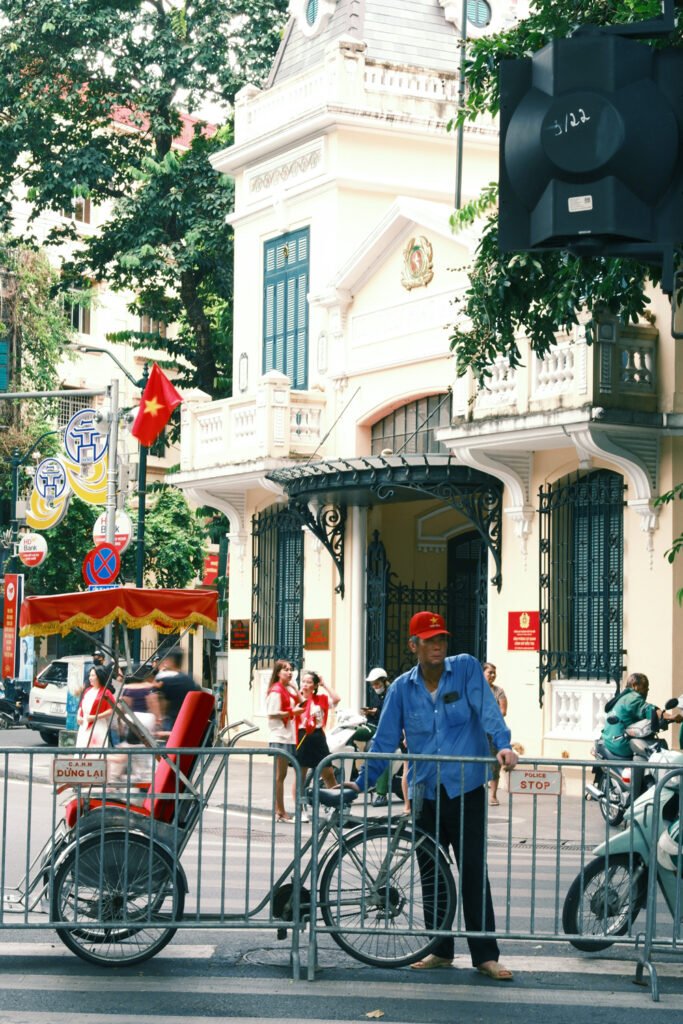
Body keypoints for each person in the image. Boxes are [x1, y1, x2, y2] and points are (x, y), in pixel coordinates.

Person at [349, 610, 518, 981]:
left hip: (467, 786)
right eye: (430, 640)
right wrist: (360, 783)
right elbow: (385, 741)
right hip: (427, 790)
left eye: (442, 638)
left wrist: (503, 745)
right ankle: (439, 949)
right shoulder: (401, 690)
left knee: (473, 869)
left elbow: (488, 712)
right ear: (414, 645)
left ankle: (485, 954)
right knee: (432, 871)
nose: (438, 645)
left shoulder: (468, 669)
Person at [599, 672, 660, 799]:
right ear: (635, 685)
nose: (647, 690)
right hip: (620, 743)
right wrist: (668, 715)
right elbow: (649, 709)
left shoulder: (623, 697)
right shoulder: (633, 697)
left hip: (610, 739)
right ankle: (635, 796)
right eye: (645, 687)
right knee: (642, 752)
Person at [294, 671, 341, 808]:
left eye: (309, 682)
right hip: (303, 736)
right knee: (300, 776)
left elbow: (337, 699)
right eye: (303, 681)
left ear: (315, 686)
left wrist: (324, 684)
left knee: (328, 773)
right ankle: (300, 808)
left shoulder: (321, 699)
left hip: (318, 736)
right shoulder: (297, 699)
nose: (305, 685)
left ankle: (336, 805)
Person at [266, 660, 305, 823]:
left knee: (284, 774)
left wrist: (295, 687)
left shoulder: (289, 688)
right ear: (278, 672)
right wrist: (292, 712)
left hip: (290, 735)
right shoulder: (275, 691)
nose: (289, 672)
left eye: (291, 670)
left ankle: (280, 810)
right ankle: (280, 811)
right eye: (285, 670)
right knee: (280, 775)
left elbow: (303, 702)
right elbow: (272, 713)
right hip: (280, 735)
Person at [149, 648, 199, 738]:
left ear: (169, 661)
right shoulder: (190, 680)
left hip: (170, 721)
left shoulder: (164, 679)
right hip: (187, 721)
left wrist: (158, 719)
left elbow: (153, 698)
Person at [482, 662, 508, 806]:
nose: (492, 675)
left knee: (494, 763)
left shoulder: (498, 691)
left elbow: (503, 711)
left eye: (494, 673)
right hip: (478, 732)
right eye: (489, 672)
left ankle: (493, 795)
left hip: (494, 732)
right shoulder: (477, 690)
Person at [76, 665, 115, 748]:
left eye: (93, 675)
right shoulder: (87, 690)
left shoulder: (106, 692)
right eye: (90, 675)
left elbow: (111, 710)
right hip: (84, 725)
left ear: (99, 676)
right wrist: (78, 716)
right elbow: (81, 706)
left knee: (95, 750)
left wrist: (95, 717)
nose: (90, 678)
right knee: (82, 747)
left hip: (98, 725)